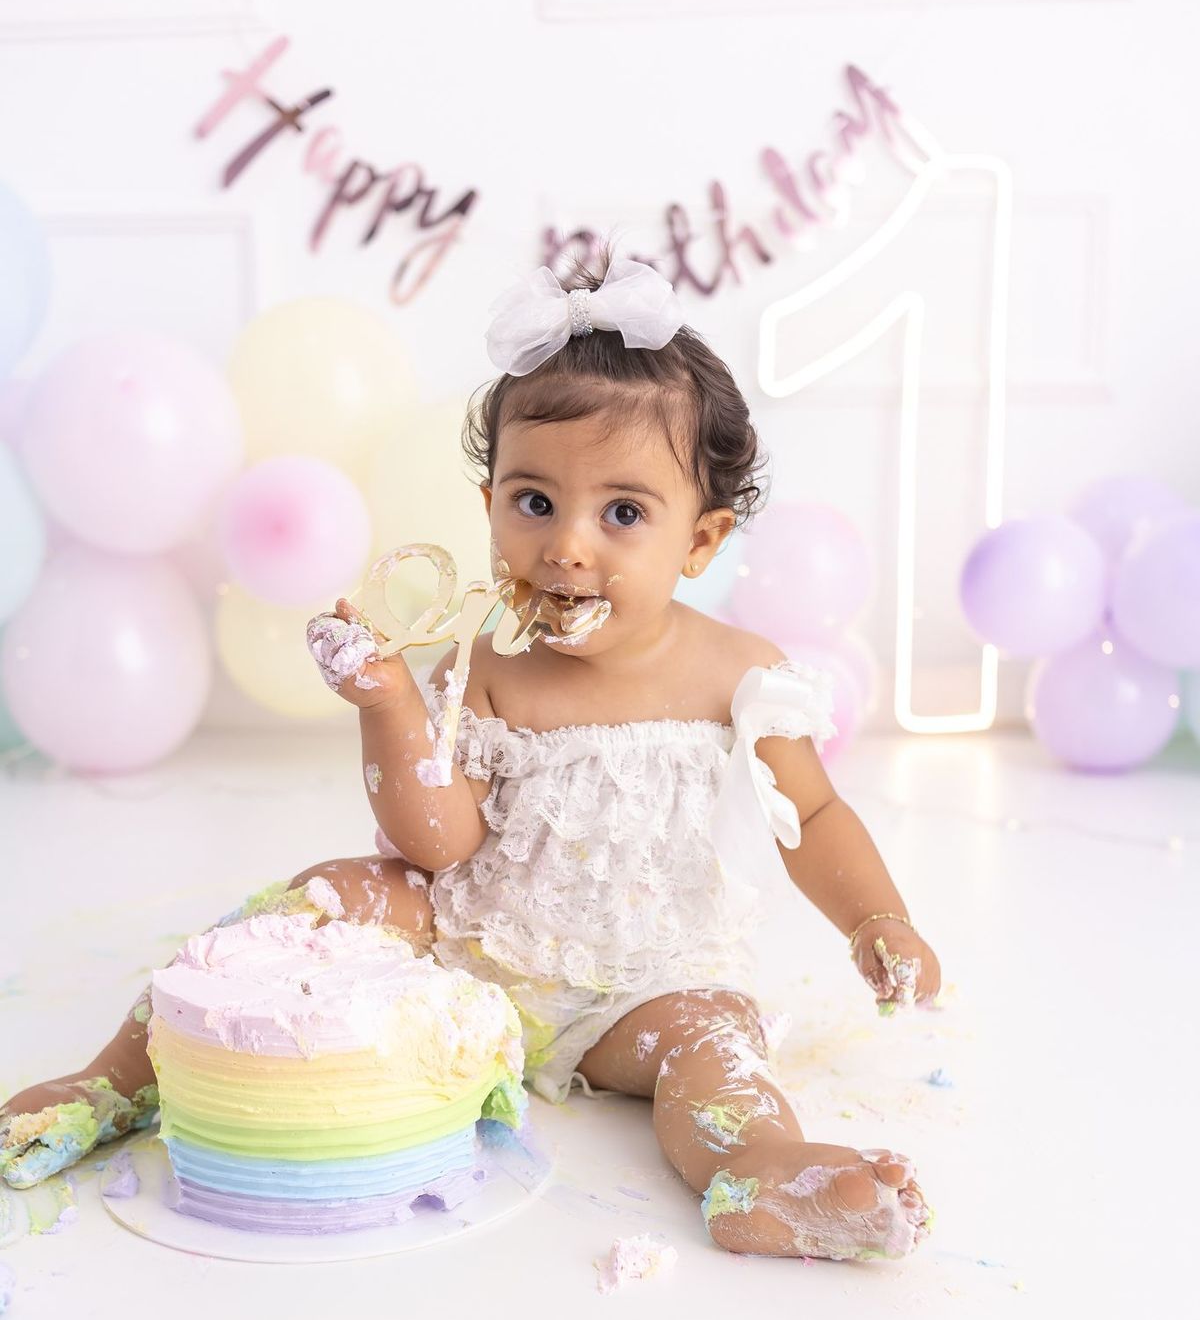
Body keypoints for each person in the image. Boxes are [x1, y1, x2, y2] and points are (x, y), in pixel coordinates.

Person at [2, 245, 939, 1262]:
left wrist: (876, 917)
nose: (567, 544)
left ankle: (760, 1173)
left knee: (714, 1047)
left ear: (702, 541)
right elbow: (440, 842)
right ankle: (116, 1078)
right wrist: (389, 700)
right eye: (534, 501)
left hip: (648, 982)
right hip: (469, 946)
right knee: (322, 896)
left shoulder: (740, 674)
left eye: (622, 513)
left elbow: (818, 819)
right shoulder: (488, 661)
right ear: (491, 500)